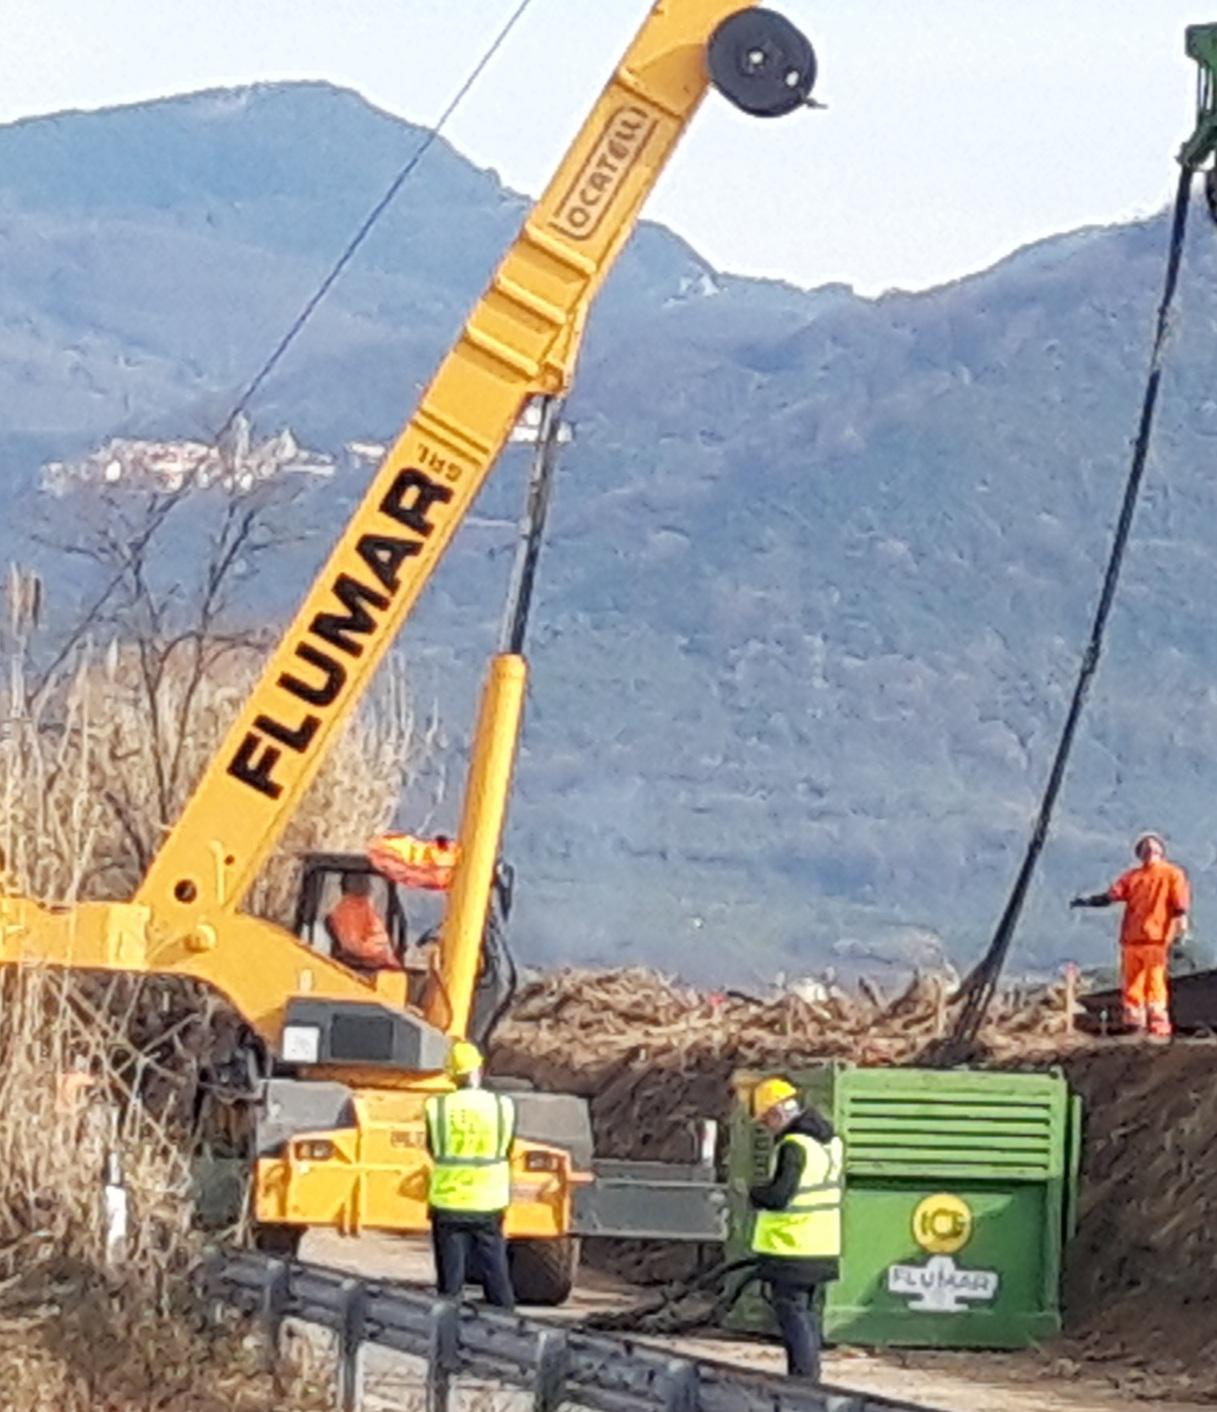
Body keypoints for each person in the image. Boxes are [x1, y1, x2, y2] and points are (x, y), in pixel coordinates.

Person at [748, 1076, 843, 1382]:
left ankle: (803, 1381)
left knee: (793, 1314)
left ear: (777, 1113)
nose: (766, 1127)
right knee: (807, 1314)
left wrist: (751, 1192)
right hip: (823, 1245)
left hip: (793, 1246)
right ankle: (810, 1378)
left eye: (765, 1120)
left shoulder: (794, 1146)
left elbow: (779, 1196)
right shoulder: (830, 1142)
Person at [423, 1039, 516, 1309]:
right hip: (489, 1202)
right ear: (479, 1069)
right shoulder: (502, 1107)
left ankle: (448, 1335)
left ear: (451, 1075)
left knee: (450, 1283)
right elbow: (505, 1148)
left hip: (448, 1202)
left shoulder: (437, 1107)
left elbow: (433, 1148)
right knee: (496, 1271)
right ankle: (506, 1326)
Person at [1071, 831, 1190, 1038]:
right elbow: (1111, 896)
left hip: (1148, 938)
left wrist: (1181, 920)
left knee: (1147, 982)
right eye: (1148, 848)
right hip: (1143, 939)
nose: (1150, 851)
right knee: (1141, 983)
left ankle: (1150, 1025)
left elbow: (1179, 903)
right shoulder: (1156, 875)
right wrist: (1088, 901)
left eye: (1151, 848)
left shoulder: (1159, 875)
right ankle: (1144, 1024)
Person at [325, 872, 402, 973]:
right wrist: (380, 954)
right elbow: (352, 946)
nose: (368, 885)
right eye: (364, 881)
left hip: (379, 966)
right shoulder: (349, 909)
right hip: (371, 968)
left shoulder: (362, 906)